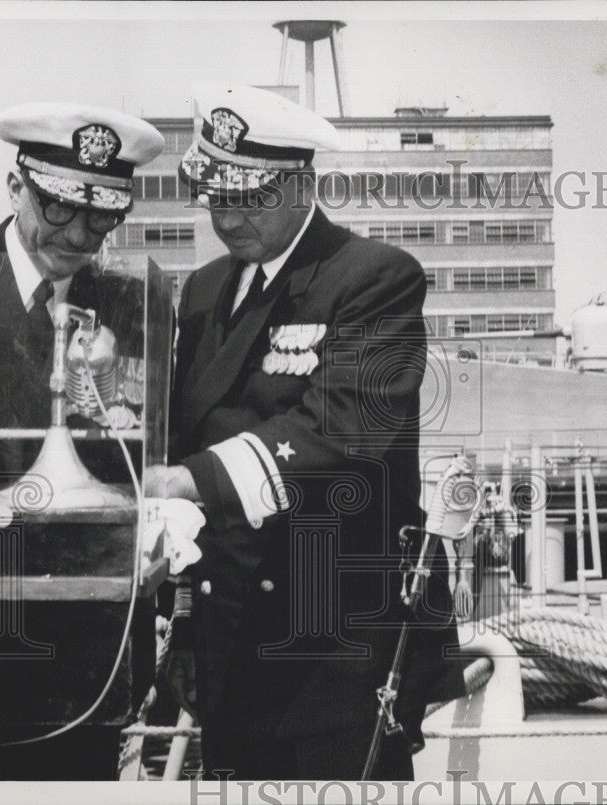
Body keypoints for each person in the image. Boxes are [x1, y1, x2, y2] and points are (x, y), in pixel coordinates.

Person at [145, 84, 463, 780]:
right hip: (230, 647)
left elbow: (344, 430)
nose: (228, 215)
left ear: (302, 183)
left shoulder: (375, 279)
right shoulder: (200, 293)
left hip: (332, 650)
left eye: (249, 196)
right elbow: (179, 433)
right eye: (217, 196)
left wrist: (193, 478)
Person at [0, 103, 164, 780]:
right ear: (15, 188)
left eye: (101, 216)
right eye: (58, 208)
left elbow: (143, 451)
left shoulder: (129, 302)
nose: (80, 233)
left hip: (84, 663)